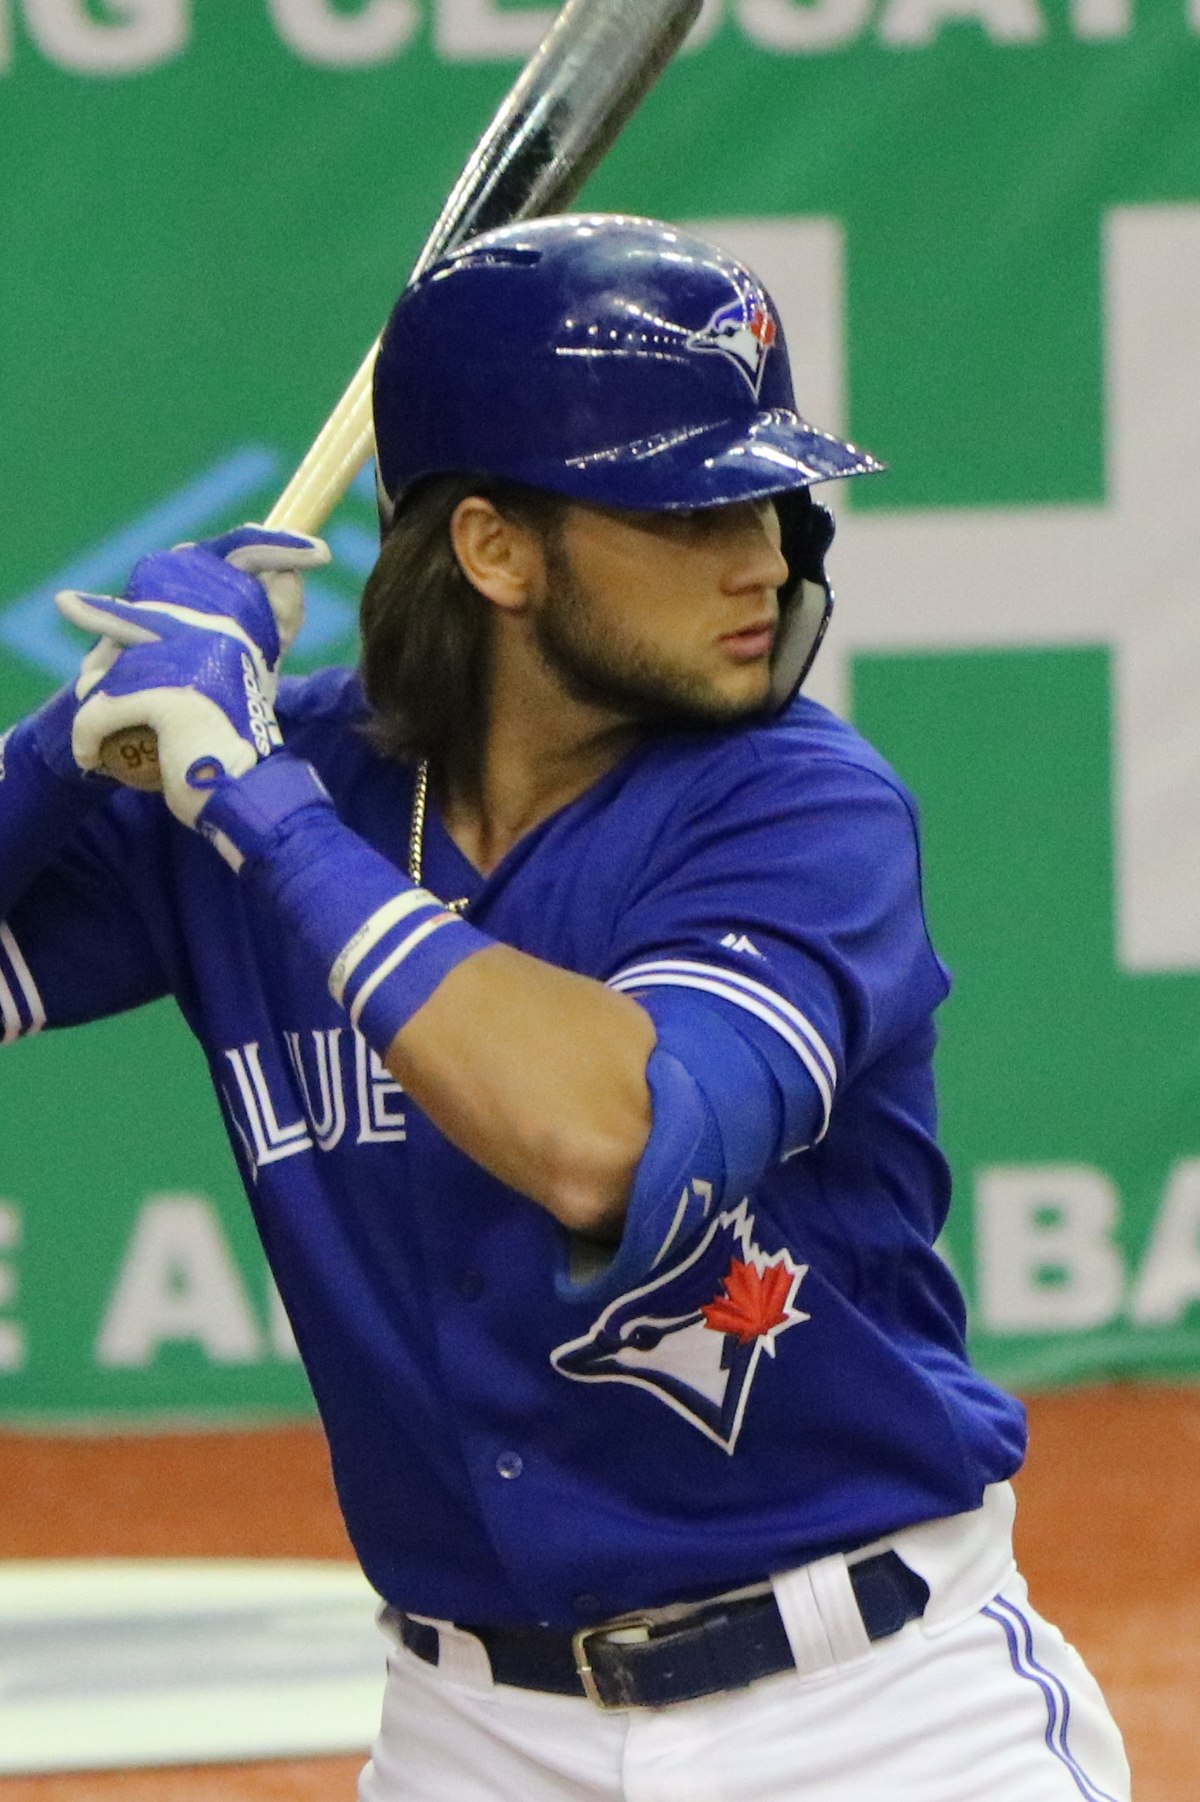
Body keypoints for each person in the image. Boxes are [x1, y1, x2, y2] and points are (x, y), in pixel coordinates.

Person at [0, 215, 1129, 1801]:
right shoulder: (294, 780)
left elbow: (608, 1135)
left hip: (869, 1720)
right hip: (469, 1730)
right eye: (690, 509)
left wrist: (247, 801)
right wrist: (69, 739)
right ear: (496, 550)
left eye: (771, 497)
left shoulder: (798, 805)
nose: (770, 556)